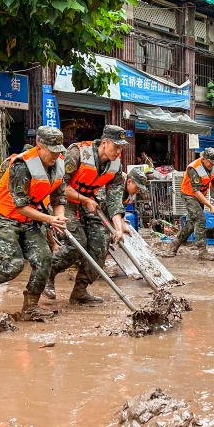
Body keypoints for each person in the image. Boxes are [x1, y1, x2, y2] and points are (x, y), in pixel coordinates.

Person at [0, 127, 68, 320]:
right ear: (39, 147)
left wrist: (59, 218)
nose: (56, 154)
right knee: (13, 265)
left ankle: (30, 307)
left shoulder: (59, 164)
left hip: (31, 218)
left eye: (58, 149)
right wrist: (49, 219)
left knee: (44, 259)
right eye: (52, 150)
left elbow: (58, 197)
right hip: (4, 215)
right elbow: (20, 207)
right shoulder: (22, 166)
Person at [47, 125, 128, 304]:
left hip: (89, 202)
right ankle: (47, 275)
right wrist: (85, 200)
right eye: (116, 146)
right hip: (65, 201)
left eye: (122, 147)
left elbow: (115, 199)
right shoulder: (77, 153)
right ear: (104, 143)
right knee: (78, 243)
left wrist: (118, 227)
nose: (119, 151)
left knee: (101, 244)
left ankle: (80, 291)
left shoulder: (116, 164)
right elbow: (60, 187)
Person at [166, 147, 214, 261]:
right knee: (200, 219)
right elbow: (195, 191)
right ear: (204, 159)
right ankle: (202, 251)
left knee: (192, 223)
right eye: (210, 163)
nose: (212, 165)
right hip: (189, 194)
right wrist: (210, 205)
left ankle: (175, 244)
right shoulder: (194, 168)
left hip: (201, 194)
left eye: (213, 163)